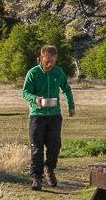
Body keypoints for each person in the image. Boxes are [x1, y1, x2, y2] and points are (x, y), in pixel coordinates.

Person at [21, 44, 74, 190]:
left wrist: (71, 106)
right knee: (37, 149)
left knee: (54, 146)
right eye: (47, 61)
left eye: (53, 61)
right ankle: (36, 178)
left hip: (55, 115)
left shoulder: (58, 72)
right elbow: (25, 93)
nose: (50, 64)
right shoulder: (33, 73)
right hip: (37, 116)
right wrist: (35, 99)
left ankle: (49, 169)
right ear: (41, 59)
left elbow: (66, 89)